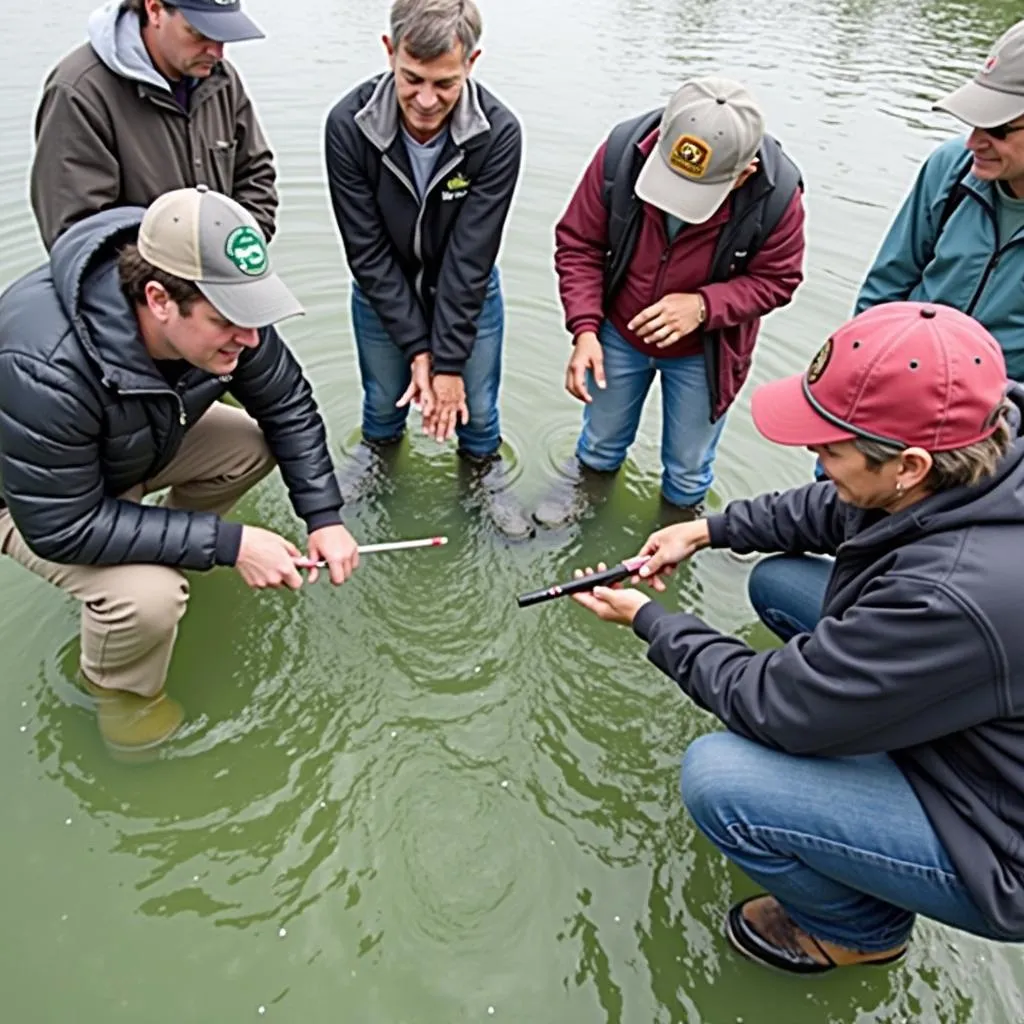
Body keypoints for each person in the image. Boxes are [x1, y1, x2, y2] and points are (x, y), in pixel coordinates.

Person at [571, 301, 1024, 972]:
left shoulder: (950, 594)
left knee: (720, 777)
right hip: (970, 693)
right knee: (778, 582)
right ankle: (863, 715)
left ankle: (862, 932)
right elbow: (846, 508)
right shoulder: (989, 436)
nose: (815, 456)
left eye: (830, 447)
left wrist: (650, 620)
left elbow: (777, 708)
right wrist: (708, 530)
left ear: (910, 466)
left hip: (998, 833)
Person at [0, 186, 358, 755]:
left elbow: (287, 404)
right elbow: (59, 526)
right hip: (32, 501)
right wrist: (230, 543)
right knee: (149, 598)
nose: (250, 339)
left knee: (249, 445)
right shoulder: (46, 368)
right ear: (159, 299)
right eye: (228, 322)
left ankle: (168, 547)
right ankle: (120, 696)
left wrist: (324, 517)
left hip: (133, 446)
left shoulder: (233, 321)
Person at [538, 76, 806, 528]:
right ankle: (586, 492)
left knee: (688, 466)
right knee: (600, 441)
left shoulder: (778, 197)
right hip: (617, 333)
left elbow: (778, 279)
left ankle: (677, 531)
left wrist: (703, 306)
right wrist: (584, 329)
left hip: (706, 352)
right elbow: (579, 243)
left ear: (745, 173)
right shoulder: (621, 154)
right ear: (659, 143)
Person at [323, 0, 531, 538]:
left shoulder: (499, 133)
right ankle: (377, 458)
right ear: (390, 52)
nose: (425, 100)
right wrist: (419, 350)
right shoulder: (348, 125)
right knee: (381, 396)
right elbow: (365, 249)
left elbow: (471, 255)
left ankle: (484, 474)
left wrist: (447, 365)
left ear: (472, 62)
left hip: (467, 292)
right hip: (380, 288)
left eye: (445, 83)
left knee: (477, 406)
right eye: (411, 78)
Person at [30, 0, 277, 251]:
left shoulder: (222, 78)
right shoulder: (79, 91)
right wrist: (178, 282)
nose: (216, 52)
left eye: (224, 36)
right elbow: (79, 238)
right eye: (201, 33)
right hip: (137, 286)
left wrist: (241, 253)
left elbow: (256, 176)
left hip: (222, 274)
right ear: (155, 10)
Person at [856, 18, 1024, 380]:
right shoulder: (950, 167)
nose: (973, 142)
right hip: (900, 381)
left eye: (996, 129)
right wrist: (859, 371)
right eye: (974, 121)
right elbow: (886, 287)